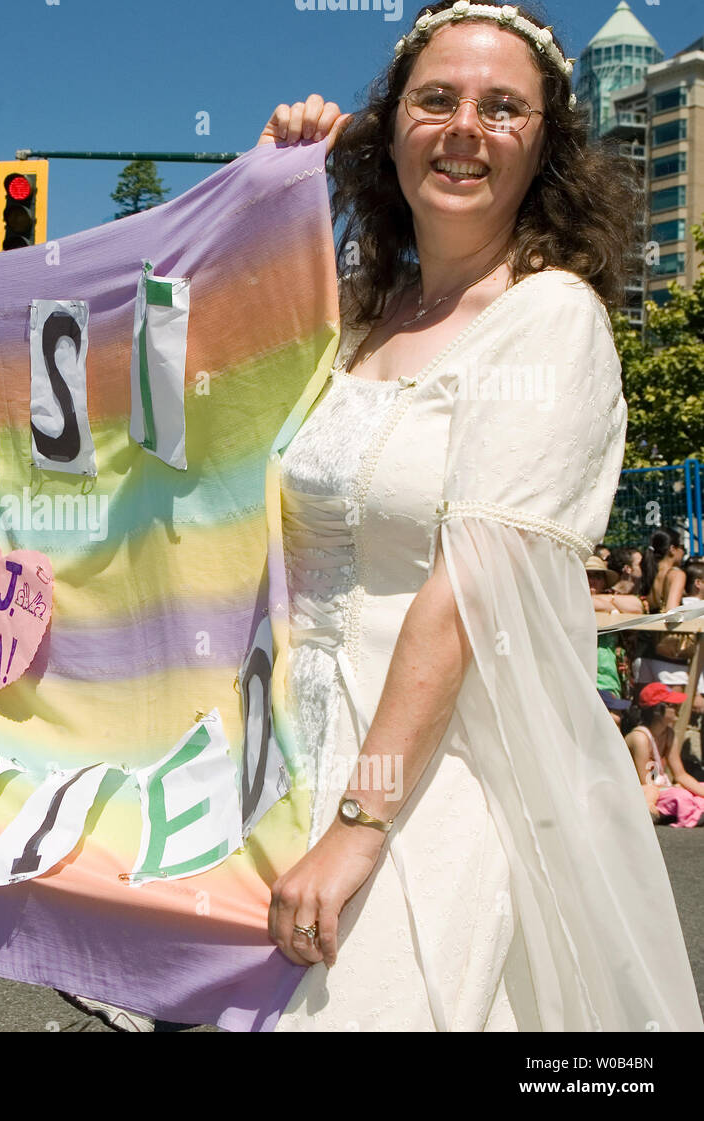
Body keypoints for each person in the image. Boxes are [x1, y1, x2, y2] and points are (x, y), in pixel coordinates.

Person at [260, 1, 700, 1030]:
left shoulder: (548, 320)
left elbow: (465, 594)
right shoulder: (359, 313)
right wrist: (272, 185)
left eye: (503, 108)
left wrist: (361, 822)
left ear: (545, 148)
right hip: (279, 769)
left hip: (426, 785)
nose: (464, 126)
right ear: (392, 127)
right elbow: (198, 415)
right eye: (436, 100)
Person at [626, 683, 704, 827]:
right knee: (681, 796)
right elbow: (647, 782)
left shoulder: (669, 734)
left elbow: (680, 774)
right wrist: (674, 789)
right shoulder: (640, 738)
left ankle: (684, 811)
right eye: (673, 706)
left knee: (698, 788)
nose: (678, 708)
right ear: (658, 710)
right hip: (645, 790)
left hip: (658, 787)